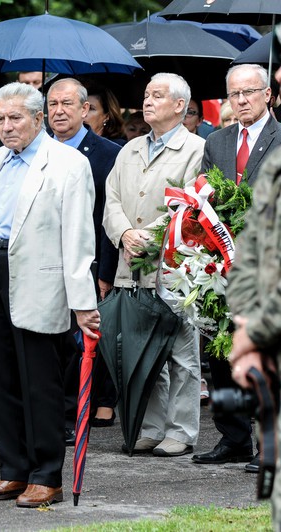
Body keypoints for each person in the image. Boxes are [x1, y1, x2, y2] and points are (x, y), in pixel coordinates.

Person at [0, 81, 99, 507]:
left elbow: (78, 235)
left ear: (38, 118)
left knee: (39, 381)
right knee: (0, 378)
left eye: (16, 118)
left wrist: (82, 302)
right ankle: (13, 470)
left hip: (40, 278)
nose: (6, 126)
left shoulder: (67, 163)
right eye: (0, 118)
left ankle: (47, 475)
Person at [103, 73, 204, 457]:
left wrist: (149, 237)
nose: (147, 101)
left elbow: (192, 205)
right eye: (146, 95)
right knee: (143, 350)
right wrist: (125, 233)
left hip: (175, 268)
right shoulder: (129, 149)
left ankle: (181, 429)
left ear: (179, 105)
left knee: (181, 352)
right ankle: (151, 426)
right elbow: (111, 200)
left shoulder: (196, 149)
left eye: (157, 95)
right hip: (131, 266)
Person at [192, 63, 281, 471]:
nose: (242, 100)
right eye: (234, 94)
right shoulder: (218, 140)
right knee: (220, 350)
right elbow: (205, 195)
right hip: (221, 264)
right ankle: (233, 438)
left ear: (268, 94)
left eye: (249, 92)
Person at [45, 78, 121, 431]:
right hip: (44, 262)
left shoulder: (107, 153)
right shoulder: (37, 149)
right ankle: (51, 413)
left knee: (79, 342)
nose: (59, 111)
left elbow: (109, 216)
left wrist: (105, 271)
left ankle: (73, 414)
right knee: (47, 340)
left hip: (88, 262)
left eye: (67, 104)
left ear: (85, 109)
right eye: (52, 104)